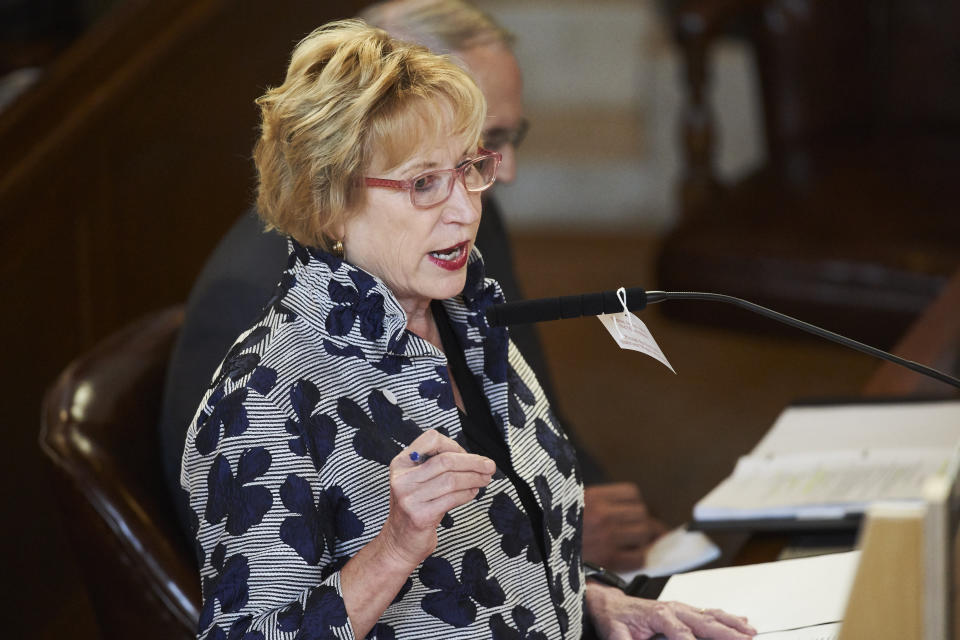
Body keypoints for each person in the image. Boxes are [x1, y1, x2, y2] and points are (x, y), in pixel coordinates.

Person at [182, 20, 755, 640]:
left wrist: (596, 599)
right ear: (329, 201)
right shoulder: (262, 398)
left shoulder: (466, 316)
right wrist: (396, 547)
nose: (465, 208)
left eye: (467, 169)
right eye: (424, 183)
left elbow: (514, 547)